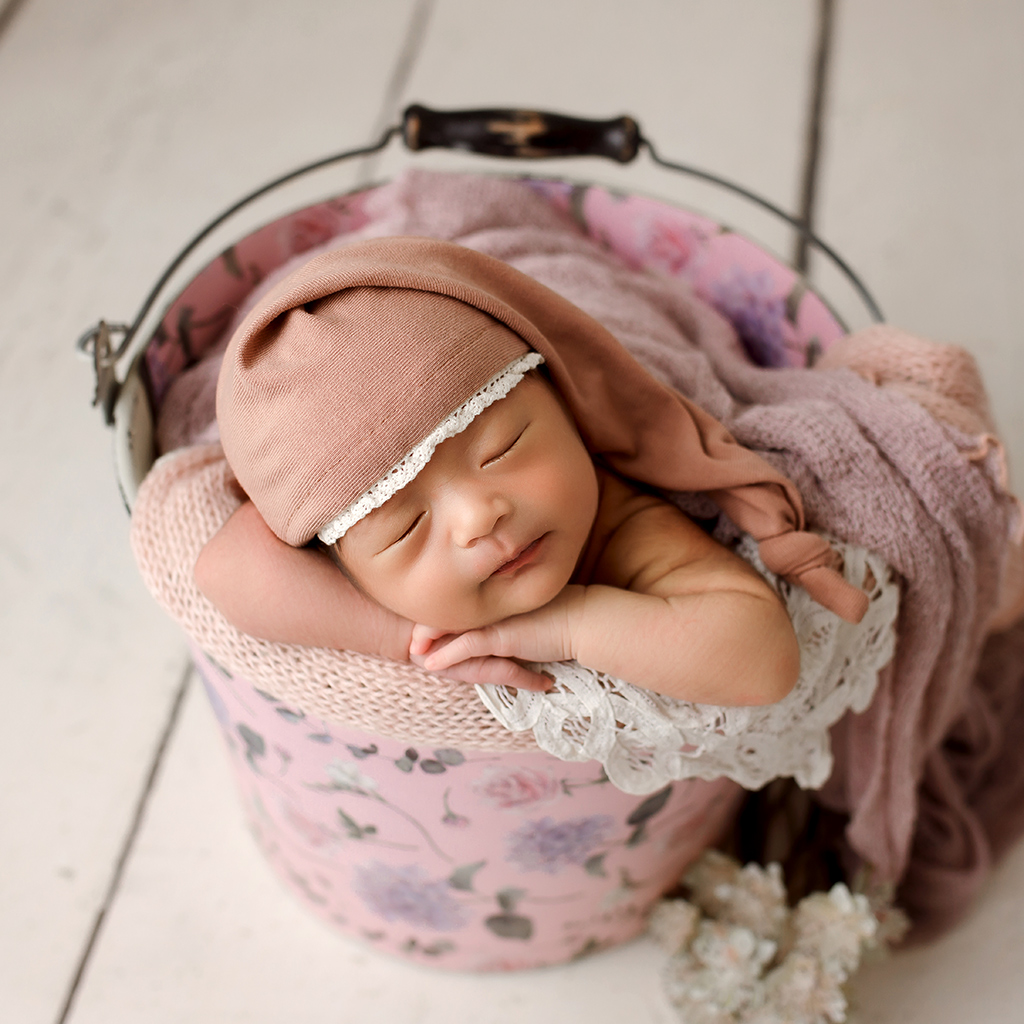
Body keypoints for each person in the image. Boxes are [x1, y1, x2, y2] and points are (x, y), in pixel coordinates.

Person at [196, 235, 869, 703]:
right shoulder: (341, 552)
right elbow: (223, 570)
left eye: (505, 447)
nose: (478, 515)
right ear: (337, 556)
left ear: (566, 407)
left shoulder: (615, 521)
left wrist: (569, 623)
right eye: (404, 527)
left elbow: (764, 662)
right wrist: (409, 638)